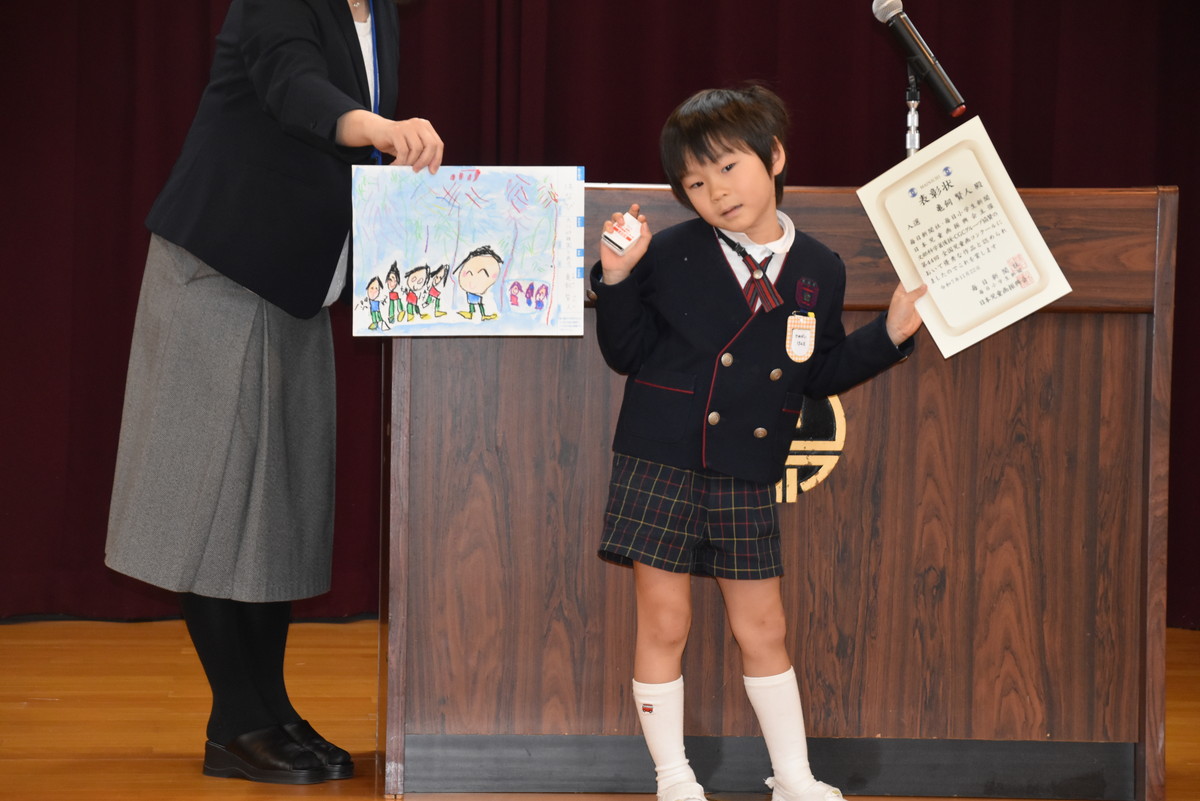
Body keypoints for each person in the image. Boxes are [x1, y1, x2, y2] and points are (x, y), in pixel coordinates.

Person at [104, 0, 443, 786]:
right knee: (214, 503)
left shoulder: (381, 16)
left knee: (274, 513)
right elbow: (296, 89)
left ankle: (270, 709)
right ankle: (236, 719)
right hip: (221, 272)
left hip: (292, 285)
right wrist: (380, 128)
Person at [590, 85, 926, 801]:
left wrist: (891, 333)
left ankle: (793, 777)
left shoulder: (820, 268)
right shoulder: (669, 252)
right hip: (660, 455)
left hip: (746, 463)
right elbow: (625, 352)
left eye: (728, 167)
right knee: (665, 621)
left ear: (774, 156)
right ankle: (673, 778)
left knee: (764, 624)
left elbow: (819, 371)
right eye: (695, 183)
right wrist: (616, 274)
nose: (716, 191)